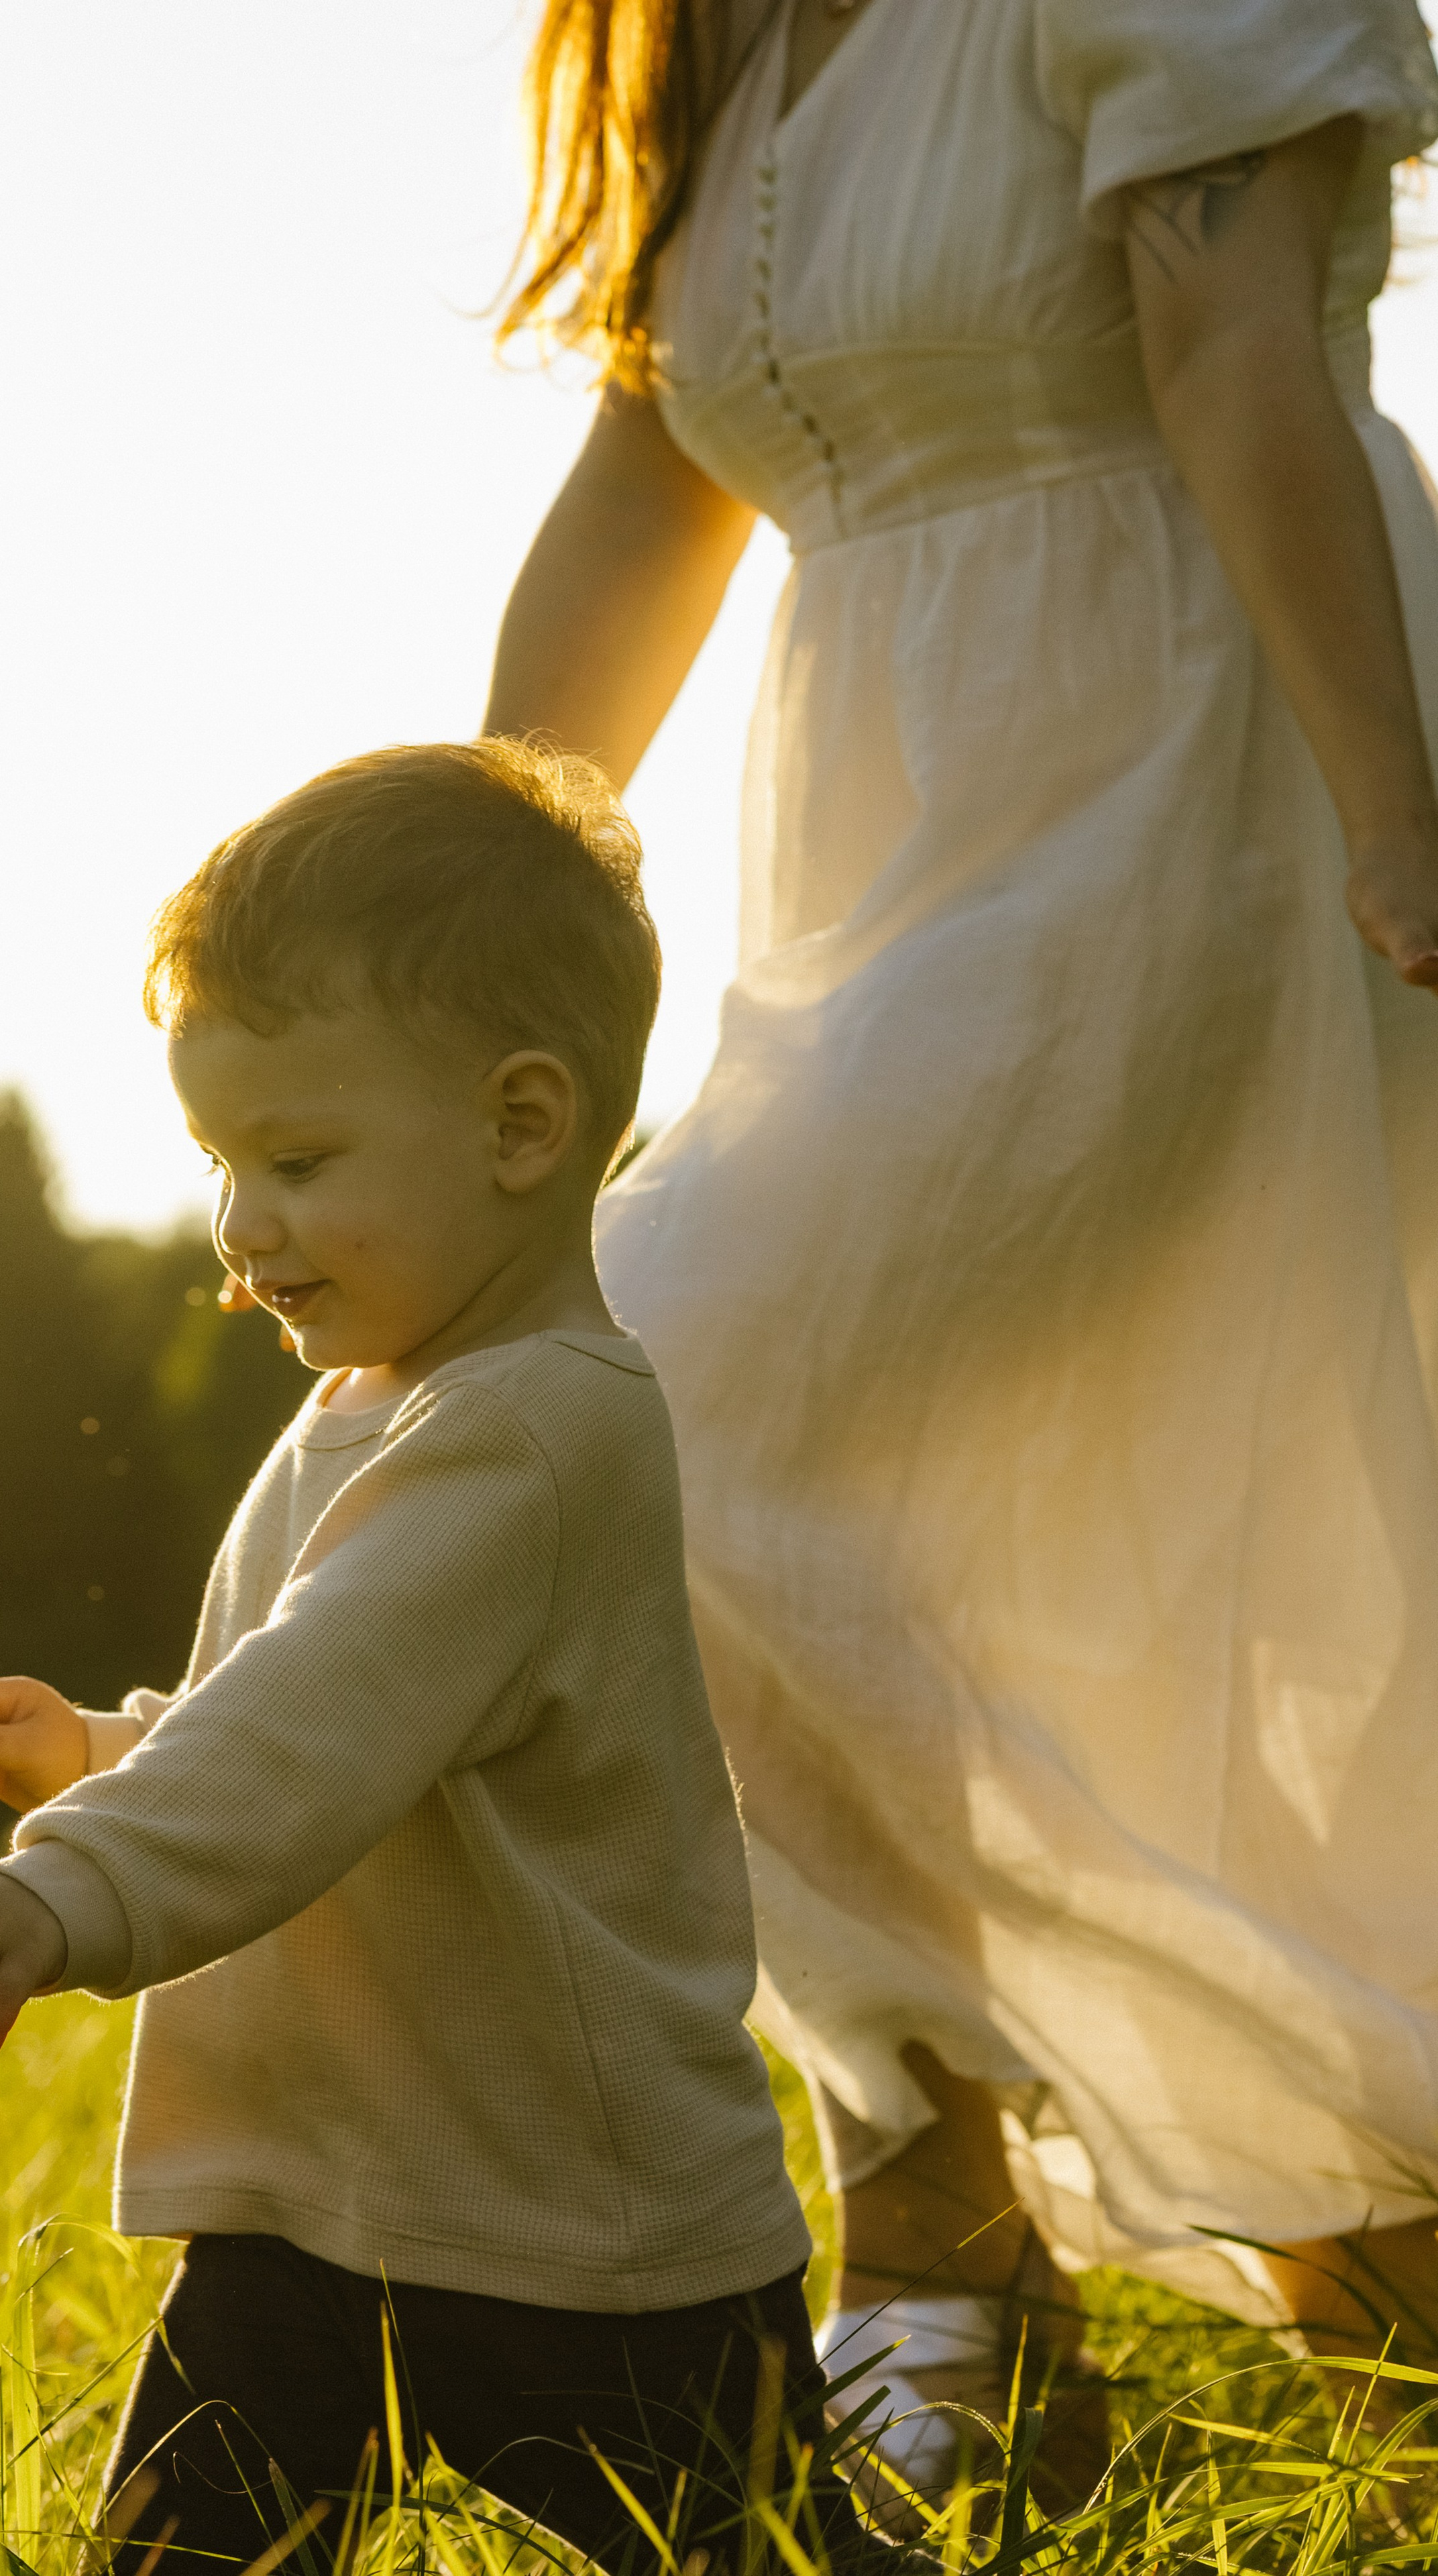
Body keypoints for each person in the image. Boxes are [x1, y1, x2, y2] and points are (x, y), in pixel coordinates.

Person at [484, 0, 1438, 2477]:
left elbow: (1236, 348)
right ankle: (963, 2218)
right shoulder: (716, 42)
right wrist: (481, 907)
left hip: (1190, 774)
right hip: (885, 850)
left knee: (669, 1401)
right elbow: (653, 481)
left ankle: (1228, 2188)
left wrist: (1396, 805)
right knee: (783, 1495)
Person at [0, 741, 897, 2576]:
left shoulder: (530, 1431)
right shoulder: (387, 1400)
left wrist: (73, 1882)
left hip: (575, 2234)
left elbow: (319, 1722)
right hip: (319, 2212)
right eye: (218, 1161)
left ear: (520, 1124)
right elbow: (328, 1722)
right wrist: (111, 1754)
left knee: (764, 2557)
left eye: (299, 1157)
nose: (240, 1224)